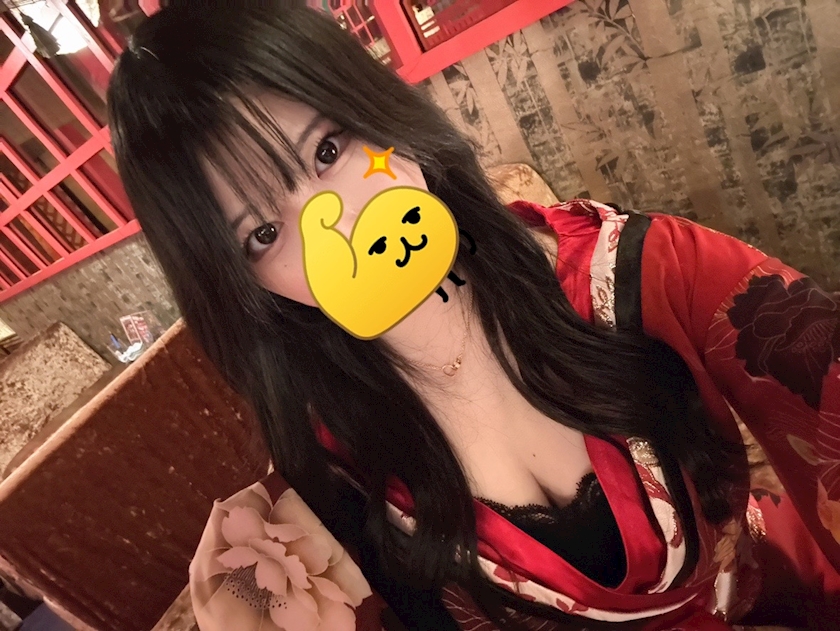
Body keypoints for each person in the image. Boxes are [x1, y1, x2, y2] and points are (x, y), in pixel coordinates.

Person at [106, 4, 840, 630]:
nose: (341, 228)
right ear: (242, 286)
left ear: (377, 112)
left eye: (328, 149)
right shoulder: (327, 489)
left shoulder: (649, 270)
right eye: (264, 234)